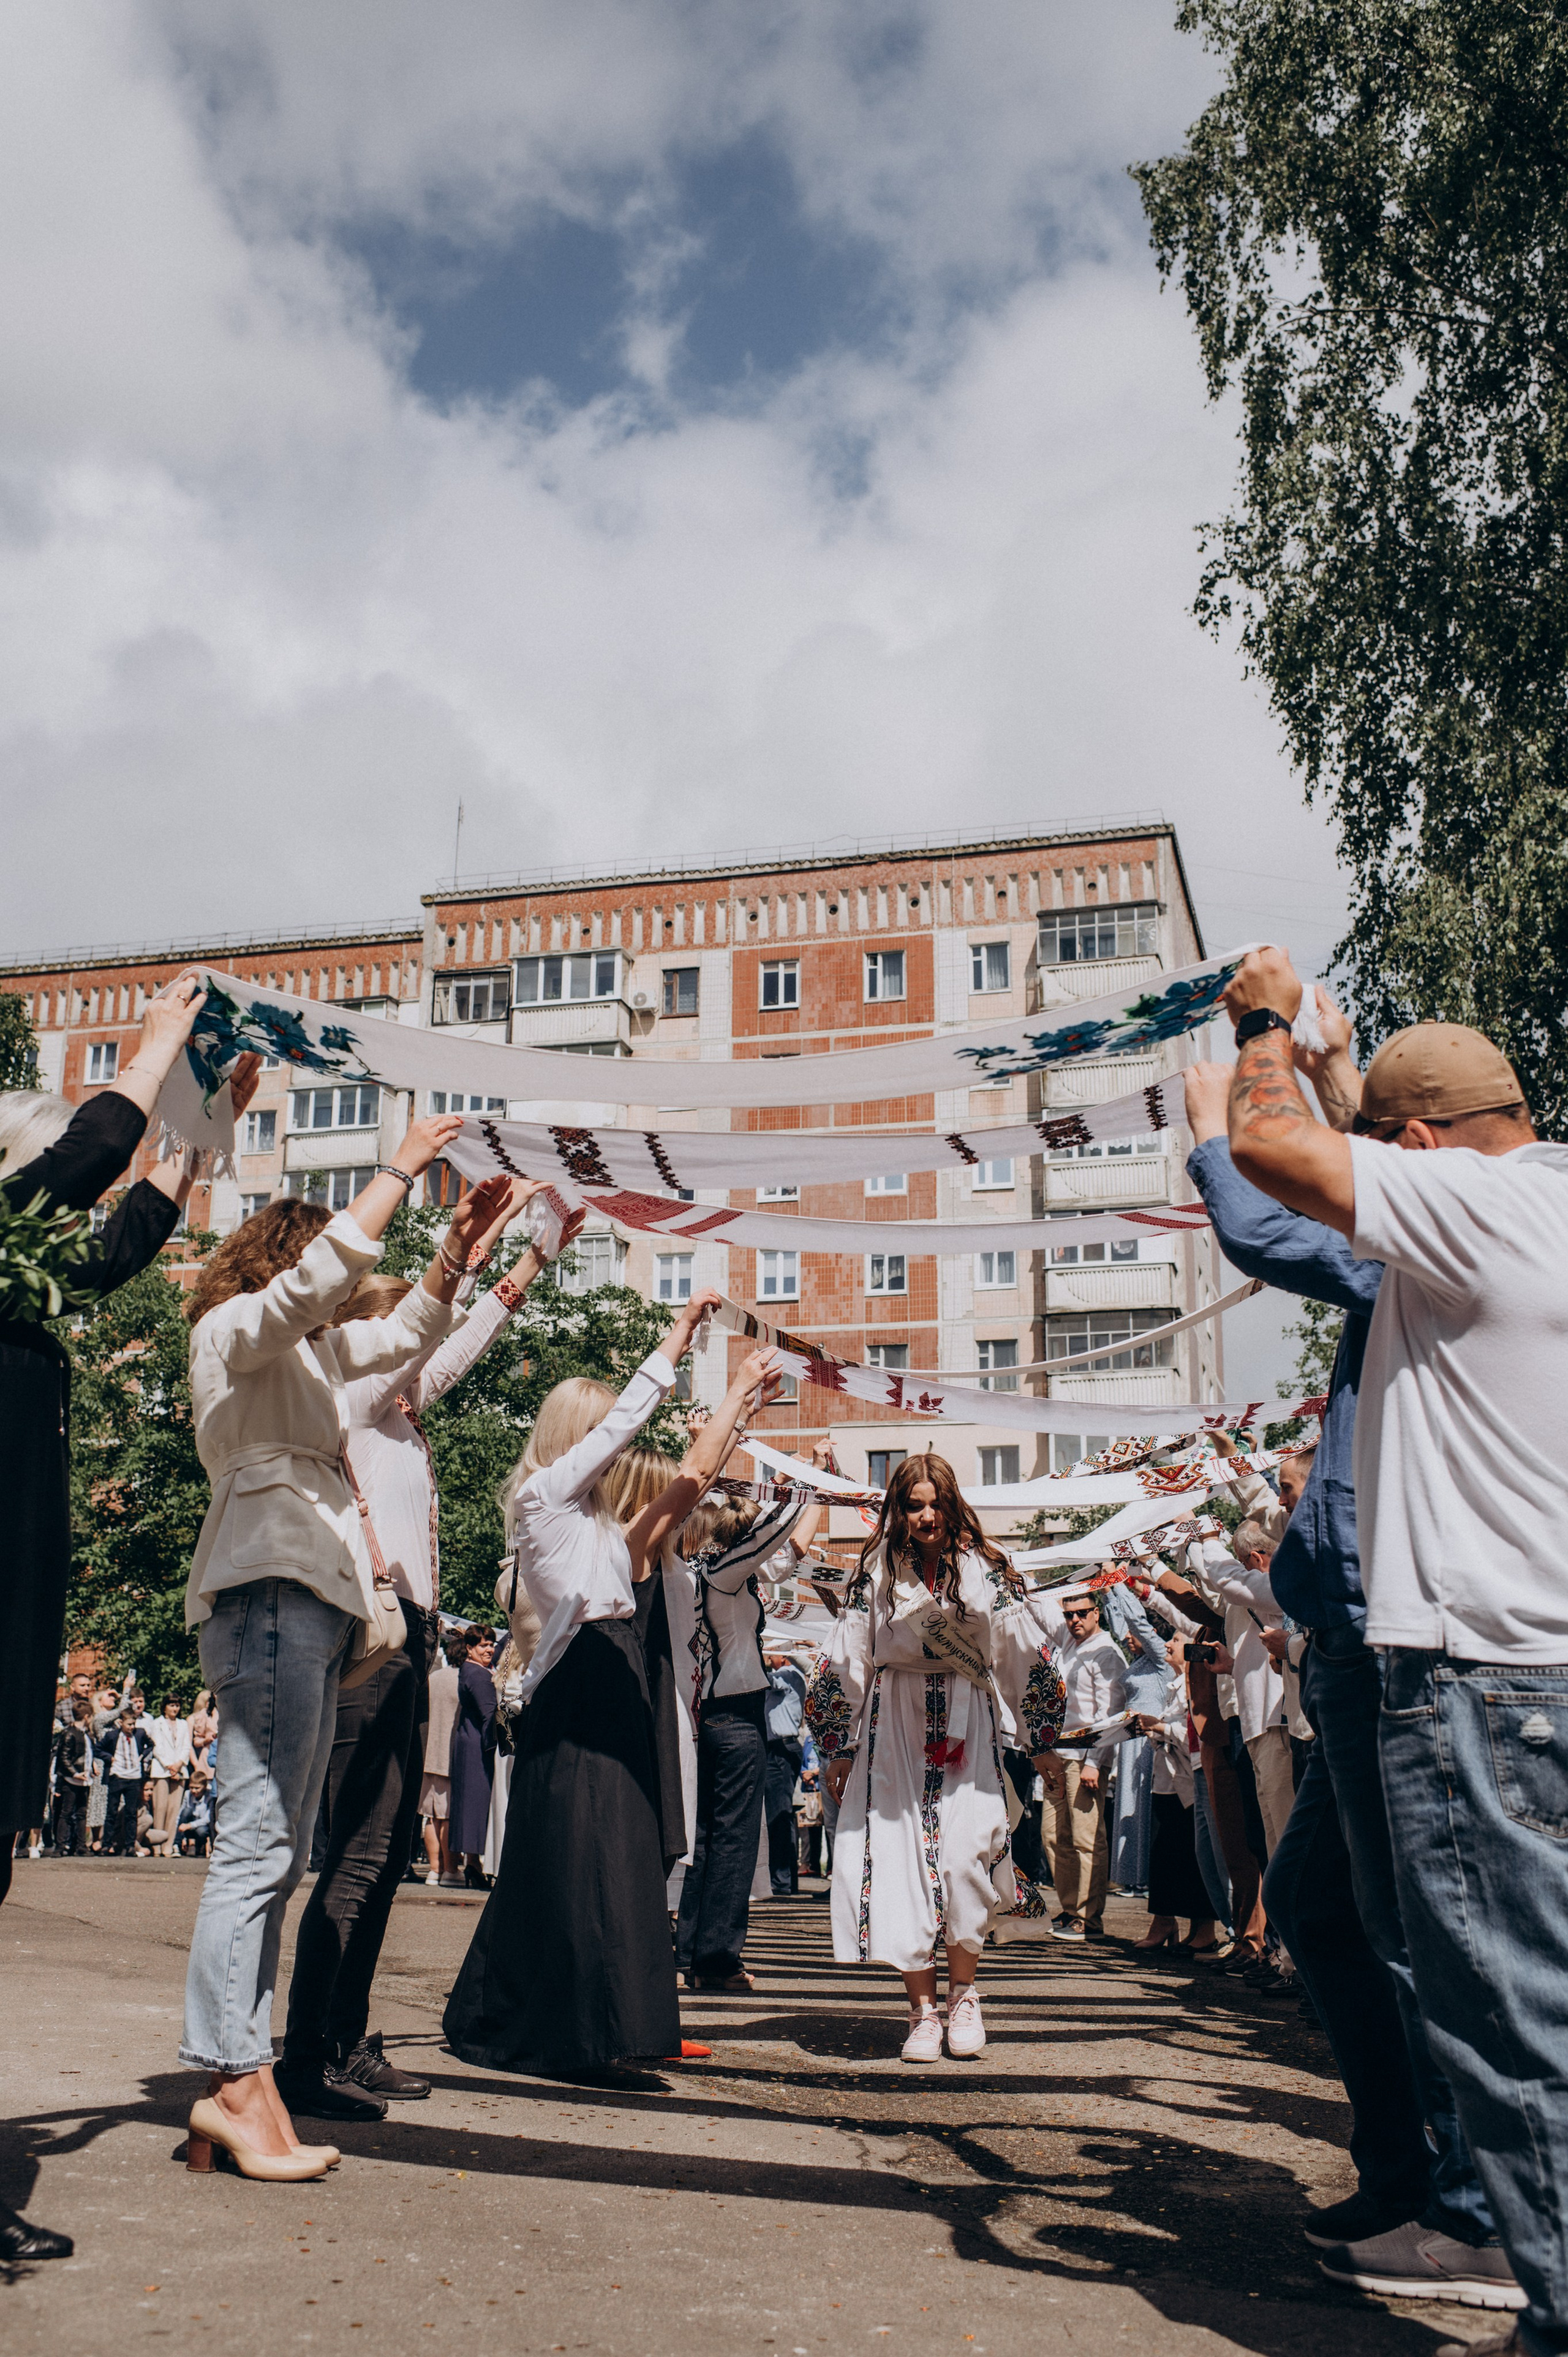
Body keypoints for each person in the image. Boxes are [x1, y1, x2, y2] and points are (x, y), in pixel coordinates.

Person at [1221, 948, 1561, 2346]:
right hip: (1518, 1663)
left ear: (1418, 1152)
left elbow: (1266, 1164)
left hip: (1473, 1668)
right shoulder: (1532, 1203)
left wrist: (1257, 1030)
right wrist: (1337, 1070)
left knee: (1501, 2010)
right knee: (1473, 1971)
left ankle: (1521, 2271)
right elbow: (1387, 1161)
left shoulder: (1474, 1214)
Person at [1185, 1036, 1510, 2280]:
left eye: (1371, 1134)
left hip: (1392, 1641)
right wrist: (1328, 1084)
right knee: (1321, 1905)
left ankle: (1472, 2212)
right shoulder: (1429, 1236)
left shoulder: (1442, 1238)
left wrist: (1213, 1133)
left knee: (1414, 1927)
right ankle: (1406, 2176)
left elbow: (1277, 1226)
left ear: (1418, 1146)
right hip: (1348, 1643)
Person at [175, 1114, 505, 2184]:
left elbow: (404, 1333)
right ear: (288, 1259)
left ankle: (243, 2078)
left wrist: (457, 1255)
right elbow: (319, 1291)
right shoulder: (234, 1331)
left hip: (311, 1597)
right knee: (259, 1846)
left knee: (277, 1853)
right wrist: (401, 1168)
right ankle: (234, 2080)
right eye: (327, 1266)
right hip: (271, 1584)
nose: (345, 1292)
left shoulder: (307, 1361)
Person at [274, 1176, 565, 2123]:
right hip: (369, 1634)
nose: (422, 1348)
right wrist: (470, 1253)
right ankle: (308, 2056)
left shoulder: (396, 1408)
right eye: (405, 1331)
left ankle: (344, 2041)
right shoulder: (353, 1395)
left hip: (411, 1637)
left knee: (388, 1850)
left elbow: (463, 1339)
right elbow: (437, 1330)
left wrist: (534, 1258)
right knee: (359, 1853)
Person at [443, 1294, 776, 2078]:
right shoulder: (540, 1501)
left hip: (610, 1686)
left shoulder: (597, 1528)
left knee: (615, 1862)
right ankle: (581, 2033)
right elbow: (628, 1422)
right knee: (586, 1863)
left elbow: (692, 1478)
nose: (616, 1449)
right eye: (599, 1435)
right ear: (576, 1437)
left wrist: (739, 1395)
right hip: (578, 1690)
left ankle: (613, 2025)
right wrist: (680, 1336)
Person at [808, 1453, 1066, 2062]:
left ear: (953, 1504)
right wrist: (838, 1744)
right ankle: (921, 2010)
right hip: (893, 1720)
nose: (927, 1516)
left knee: (963, 1856)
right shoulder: (876, 1569)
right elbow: (848, 1651)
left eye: (936, 1503)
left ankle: (964, 1994)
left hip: (967, 1716)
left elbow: (1020, 1649)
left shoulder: (988, 1568)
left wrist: (1042, 1740)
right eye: (914, 1505)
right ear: (898, 1510)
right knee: (900, 1863)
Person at [674, 1466, 828, 1994]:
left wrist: (818, 1486)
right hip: (736, 1714)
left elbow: (790, 1552)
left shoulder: (699, 1571)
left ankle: (692, 1951)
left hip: (709, 1715)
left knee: (707, 1839)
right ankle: (718, 1960)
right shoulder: (725, 1571)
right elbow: (776, 1535)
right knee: (734, 1842)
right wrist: (799, 1486)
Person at [1042, 1588, 1128, 1944]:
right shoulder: (1069, 1645)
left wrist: (1096, 1762)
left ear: (1096, 1613)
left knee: (1086, 1837)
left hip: (1086, 1757)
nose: (1074, 1620)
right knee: (1053, 1835)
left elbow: (1111, 1713)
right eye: (1069, 1614)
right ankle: (1069, 1909)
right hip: (1059, 1753)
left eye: (1082, 1613)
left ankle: (1089, 1917)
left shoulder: (1106, 1652)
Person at [1134, 1681, 1218, 1950]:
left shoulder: (1195, 1687)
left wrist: (1161, 1728)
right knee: (1164, 1856)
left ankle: (1203, 1929)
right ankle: (1164, 1921)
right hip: (1166, 1784)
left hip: (1189, 1785)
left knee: (1196, 1856)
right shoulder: (1174, 1689)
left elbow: (1197, 1737)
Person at [448, 1625, 498, 1887]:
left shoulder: (470, 1670)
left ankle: (472, 1863)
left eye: (491, 1644)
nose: (489, 1649)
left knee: (470, 1803)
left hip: (468, 1739)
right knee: (478, 1803)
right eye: (483, 1645)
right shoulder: (478, 1674)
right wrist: (499, 1748)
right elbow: (490, 1715)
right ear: (469, 1648)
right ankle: (474, 1864)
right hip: (478, 1744)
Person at [763, 1652, 808, 1896]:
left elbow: (765, 1680)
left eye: (771, 1652)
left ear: (783, 1655)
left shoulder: (790, 1675)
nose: (768, 1656)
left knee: (779, 1816)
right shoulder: (786, 1676)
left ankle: (782, 1881)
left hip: (782, 1749)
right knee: (779, 1815)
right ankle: (783, 1879)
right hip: (778, 1748)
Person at [422, 1645, 459, 1886]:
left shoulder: (433, 1678)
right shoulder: (462, 1680)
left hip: (428, 1752)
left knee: (430, 1816)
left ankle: (434, 1869)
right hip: (449, 1754)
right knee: (446, 1816)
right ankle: (449, 1870)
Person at [145, 1697, 192, 1857]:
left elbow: (186, 1746)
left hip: (179, 1770)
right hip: (162, 1769)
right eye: (172, 1705)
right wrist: (169, 1766)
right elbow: (157, 1747)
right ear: (165, 1707)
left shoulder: (183, 1724)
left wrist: (178, 1765)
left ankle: (168, 1846)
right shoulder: (157, 1723)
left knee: (174, 1810)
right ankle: (157, 1846)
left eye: (177, 1705)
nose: (175, 1709)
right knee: (160, 1808)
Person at [103, 1710, 151, 1857]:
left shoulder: (140, 1733)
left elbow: (151, 1744)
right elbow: (98, 1748)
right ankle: (107, 1845)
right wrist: (110, 1758)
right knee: (112, 1811)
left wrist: (142, 1756)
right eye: (129, 1724)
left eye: (133, 1724)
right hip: (118, 1776)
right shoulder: (112, 1736)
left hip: (134, 1777)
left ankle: (130, 1846)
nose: (132, 1727)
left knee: (131, 1813)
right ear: (121, 1723)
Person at [50, 1699, 93, 1858]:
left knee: (82, 1813)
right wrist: (75, 1773)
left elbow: (87, 1754)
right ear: (87, 1717)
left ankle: (80, 1845)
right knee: (66, 1813)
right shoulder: (70, 1733)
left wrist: (93, 1766)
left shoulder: (86, 1734)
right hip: (72, 1780)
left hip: (84, 1779)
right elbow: (64, 1758)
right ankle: (60, 1846)